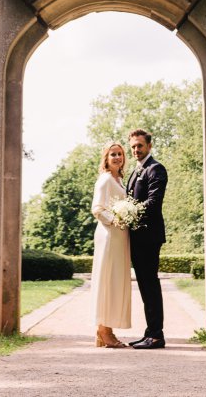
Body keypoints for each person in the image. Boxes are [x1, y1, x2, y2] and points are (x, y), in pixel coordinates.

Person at [126, 128, 167, 349]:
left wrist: (127, 213)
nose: (136, 150)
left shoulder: (156, 169)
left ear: (149, 146)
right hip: (137, 238)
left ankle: (157, 335)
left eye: (140, 145)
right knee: (144, 285)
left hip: (149, 237)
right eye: (133, 146)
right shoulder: (135, 171)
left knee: (150, 284)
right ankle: (150, 332)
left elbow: (153, 203)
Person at [90, 142, 131, 348]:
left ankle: (107, 330)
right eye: (113, 154)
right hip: (108, 235)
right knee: (107, 280)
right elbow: (97, 209)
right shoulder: (105, 180)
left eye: (120, 154)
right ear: (106, 158)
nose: (117, 157)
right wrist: (114, 220)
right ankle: (103, 331)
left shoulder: (120, 180)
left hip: (119, 237)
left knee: (115, 282)